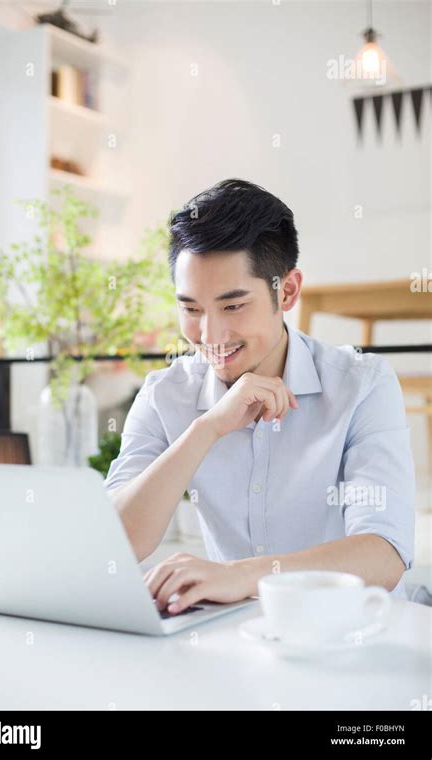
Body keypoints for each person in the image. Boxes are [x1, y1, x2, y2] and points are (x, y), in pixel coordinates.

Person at [105, 178, 415, 615]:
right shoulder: (166, 394)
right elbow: (115, 542)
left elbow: (384, 553)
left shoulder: (361, 385)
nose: (209, 336)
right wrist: (208, 427)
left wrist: (244, 575)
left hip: (354, 632)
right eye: (191, 309)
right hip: (237, 639)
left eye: (233, 306)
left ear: (286, 291)